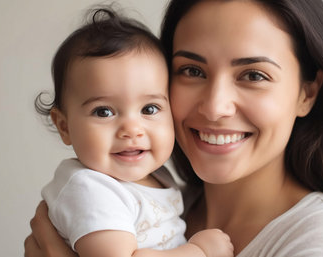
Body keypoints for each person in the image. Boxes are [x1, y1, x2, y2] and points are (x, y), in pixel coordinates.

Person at [25, 1, 323, 257]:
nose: (216, 107)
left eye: (253, 75)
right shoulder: (157, 206)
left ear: (306, 93)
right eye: (192, 71)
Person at [33, 7, 234, 257]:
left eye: (149, 109)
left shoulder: (156, 176)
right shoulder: (90, 188)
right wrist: (199, 251)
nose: (131, 130)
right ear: (64, 126)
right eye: (104, 112)